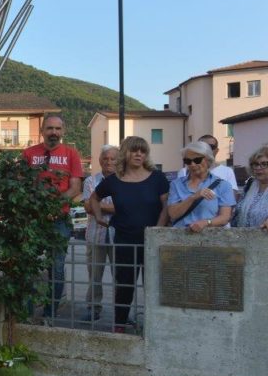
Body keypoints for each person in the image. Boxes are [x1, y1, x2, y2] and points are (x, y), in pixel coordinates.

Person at [89, 137, 169, 332]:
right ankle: (120, 325)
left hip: (152, 241)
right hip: (124, 241)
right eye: (134, 150)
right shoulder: (114, 180)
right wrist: (98, 217)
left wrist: (157, 231)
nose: (139, 154)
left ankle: (153, 326)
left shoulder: (158, 178)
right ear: (125, 153)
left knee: (153, 285)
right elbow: (94, 198)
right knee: (124, 286)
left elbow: (166, 207)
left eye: (143, 151)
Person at [21, 115, 83, 318]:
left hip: (59, 220)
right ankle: (27, 315)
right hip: (33, 219)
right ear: (42, 131)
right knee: (28, 266)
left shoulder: (71, 154)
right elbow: (21, 185)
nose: (54, 132)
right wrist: (38, 208)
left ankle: (50, 315)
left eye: (57, 128)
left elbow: (75, 188)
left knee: (56, 268)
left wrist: (53, 206)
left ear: (63, 131)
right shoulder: (29, 154)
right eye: (49, 128)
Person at [81, 145, 118, 321]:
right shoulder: (91, 181)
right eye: (105, 158)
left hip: (119, 236)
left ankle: (121, 311)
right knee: (94, 276)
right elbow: (88, 207)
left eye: (112, 159)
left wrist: (97, 204)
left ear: (119, 161)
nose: (108, 162)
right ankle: (93, 308)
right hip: (96, 235)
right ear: (100, 160)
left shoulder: (124, 180)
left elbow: (125, 208)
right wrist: (113, 207)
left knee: (121, 277)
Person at [168, 141, 235, 232]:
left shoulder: (223, 185)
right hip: (180, 236)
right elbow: (173, 214)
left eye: (197, 160)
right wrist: (193, 197)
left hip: (210, 237)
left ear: (208, 159)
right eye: (187, 161)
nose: (192, 164)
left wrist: (206, 222)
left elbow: (225, 218)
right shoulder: (176, 184)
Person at [232, 144, 268, 235]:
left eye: (264, 164)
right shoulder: (250, 183)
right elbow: (238, 211)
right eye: (255, 164)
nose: (258, 168)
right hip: (242, 237)